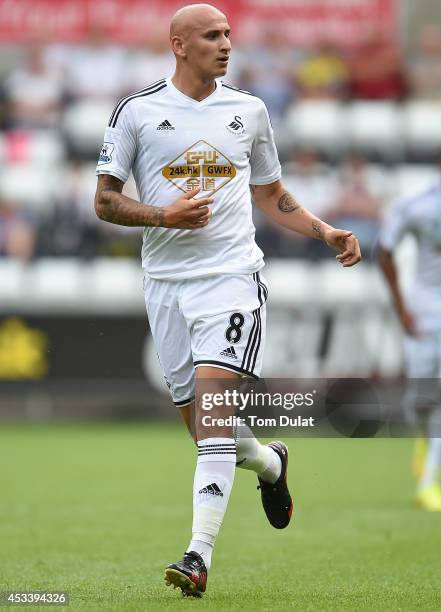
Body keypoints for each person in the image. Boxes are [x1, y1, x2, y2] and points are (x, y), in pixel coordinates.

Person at [94, 3, 361, 597]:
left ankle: (197, 556)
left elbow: (270, 193)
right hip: (165, 286)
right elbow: (105, 202)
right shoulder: (136, 112)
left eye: (228, 35)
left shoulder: (249, 110)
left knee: (214, 413)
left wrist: (326, 232)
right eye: (212, 36)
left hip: (232, 279)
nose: (226, 45)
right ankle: (270, 462)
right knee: (205, 429)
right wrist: (163, 214)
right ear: (178, 45)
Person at [378, 175, 441, 511]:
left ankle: (429, 483)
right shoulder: (419, 204)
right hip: (424, 313)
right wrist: (401, 309)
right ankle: (424, 439)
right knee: (420, 400)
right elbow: (385, 250)